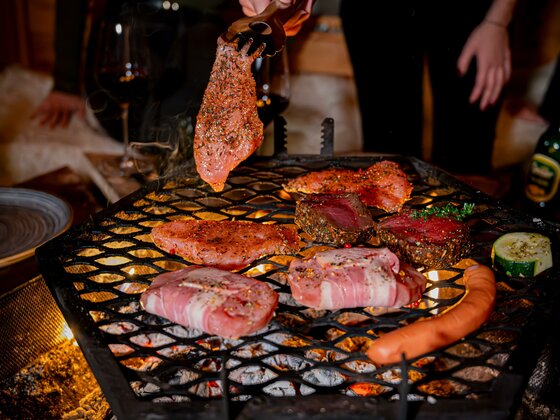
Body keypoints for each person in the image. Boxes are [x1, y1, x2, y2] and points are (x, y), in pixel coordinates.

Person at [338, 0, 516, 176]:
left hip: (473, 15)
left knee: (466, 157)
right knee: (388, 161)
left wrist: (497, 21)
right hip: (377, 13)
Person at [31, 0, 242, 141]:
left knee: (188, 132)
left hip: (200, 27)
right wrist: (65, 82)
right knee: (135, 126)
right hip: (127, 23)